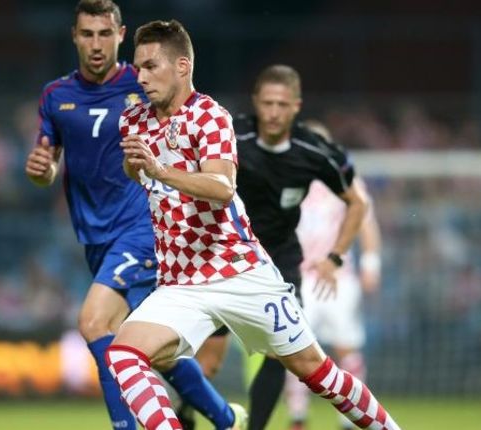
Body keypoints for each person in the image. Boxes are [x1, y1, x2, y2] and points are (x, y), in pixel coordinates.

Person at [109, 20, 400, 430]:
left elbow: (222, 187)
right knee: (123, 354)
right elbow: (138, 174)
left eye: (151, 66)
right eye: (137, 67)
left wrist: (160, 170)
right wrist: (135, 164)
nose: (140, 77)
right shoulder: (135, 119)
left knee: (317, 373)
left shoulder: (210, 117)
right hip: (180, 282)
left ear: (182, 66)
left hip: (239, 271)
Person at [24, 2, 242, 429]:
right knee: (149, 346)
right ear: (74, 37)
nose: (96, 44)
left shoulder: (142, 82)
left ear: (120, 34)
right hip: (95, 238)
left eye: (104, 34)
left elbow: (186, 120)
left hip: (143, 226)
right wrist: (42, 171)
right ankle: (226, 418)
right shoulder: (56, 96)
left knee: (93, 321)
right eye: (87, 35)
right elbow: (48, 166)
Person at [191, 65, 371, 430]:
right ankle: (184, 417)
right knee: (206, 361)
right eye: (267, 103)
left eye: (282, 104)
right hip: (225, 255)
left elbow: (358, 203)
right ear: (255, 102)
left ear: (296, 106)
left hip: (278, 262)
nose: (273, 112)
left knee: (282, 352)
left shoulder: (314, 151)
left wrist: (334, 258)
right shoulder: (230, 137)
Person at [284, 120, 383, 430]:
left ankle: (349, 419)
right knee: (295, 351)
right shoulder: (289, 178)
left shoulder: (344, 179)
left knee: (346, 348)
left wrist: (371, 263)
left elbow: (366, 222)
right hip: (300, 280)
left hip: (339, 279)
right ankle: (298, 417)